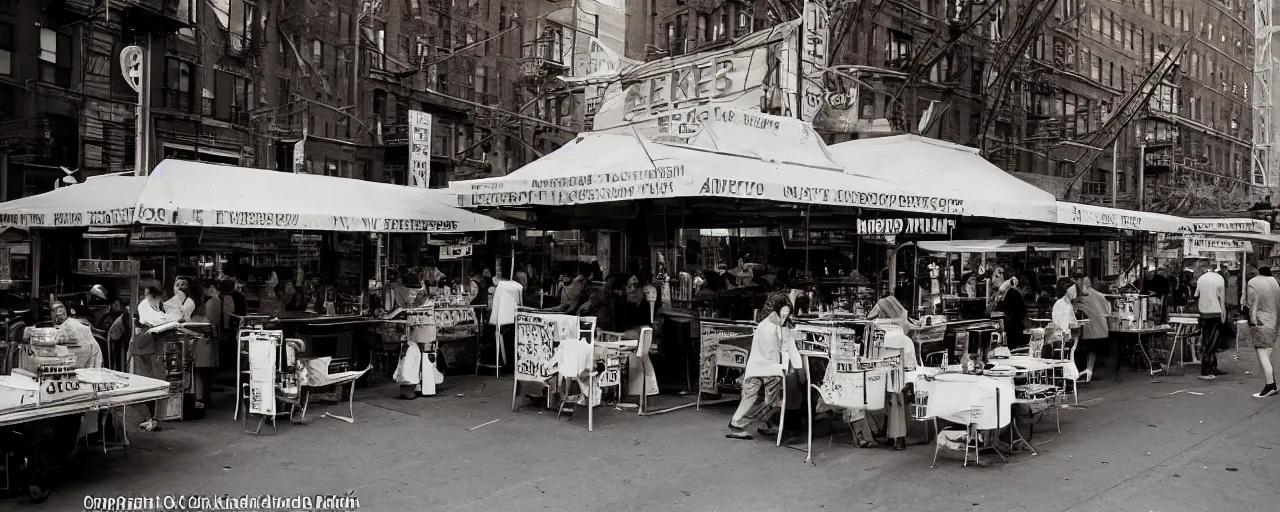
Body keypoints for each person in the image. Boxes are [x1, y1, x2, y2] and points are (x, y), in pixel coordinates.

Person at [726, 293, 802, 440]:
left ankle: (747, 423)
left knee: (761, 399)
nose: (785, 316)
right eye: (783, 313)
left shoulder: (776, 325)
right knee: (764, 400)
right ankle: (739, 424)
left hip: (763, 369)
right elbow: (773, 352)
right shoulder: (767, 327)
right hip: (763, 369)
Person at [130, 286, 168, 432]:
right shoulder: (144, 305)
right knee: (149, 383)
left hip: (153, 349)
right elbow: (150, 321)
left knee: (157, 382)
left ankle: (154, 418)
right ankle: (151, 418)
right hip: (145, 350)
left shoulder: (157, 306)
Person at [1246, 267, 1280, 397]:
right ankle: (1274, 383)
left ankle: (1270, 385)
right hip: (1275, 323)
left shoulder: (1253, 283)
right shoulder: (1275, 282)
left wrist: (1253, 321)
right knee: (1268, 352)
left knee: (1261, 353)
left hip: (1262, 322)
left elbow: (1253, 304)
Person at [1074, 277, 1111, 382]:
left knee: (1083, 348)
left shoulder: (1082, 296)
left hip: (1088, 327)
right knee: (1092, 349)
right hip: (1099, 328)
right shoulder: (1098, 295)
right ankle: (1089, 371)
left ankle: (1083, 372)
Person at [1196, 265, 1227, 380]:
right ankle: (1208, 368)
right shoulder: (1220, 279)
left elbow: (1196, 294)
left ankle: (1208, 367)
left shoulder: (1201, 278)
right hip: (1216, 312)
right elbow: (1222, 299)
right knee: (1213, 340)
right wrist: (1223, 313)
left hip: (1204, 312)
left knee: (1206, 340)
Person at [52, 302, 103, 368]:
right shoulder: (72, 324)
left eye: (61, 308)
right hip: (91, 355)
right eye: (56, 309)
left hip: (87, 355)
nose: (60, 311)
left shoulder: (66, 326)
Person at [995, 277, 1029, 350]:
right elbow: (1022, 311)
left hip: (1009, 328)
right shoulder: (1013, 293)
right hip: (1014, 328)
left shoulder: (1010, 294)